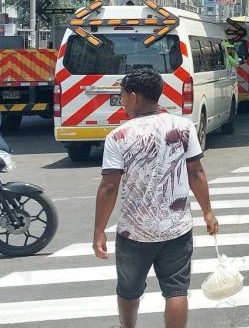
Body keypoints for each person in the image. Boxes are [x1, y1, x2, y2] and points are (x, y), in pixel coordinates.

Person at [93, 69, 218, 328]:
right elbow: (196, 172)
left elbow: (108, 187)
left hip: (134, 232)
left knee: (129, 290)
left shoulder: (118, 136)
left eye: (123, 96)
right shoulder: (183, 127)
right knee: (176, 291)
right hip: (177, 227)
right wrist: (207, 212)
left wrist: (99, 230)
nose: (123, 101)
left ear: (134, 96)